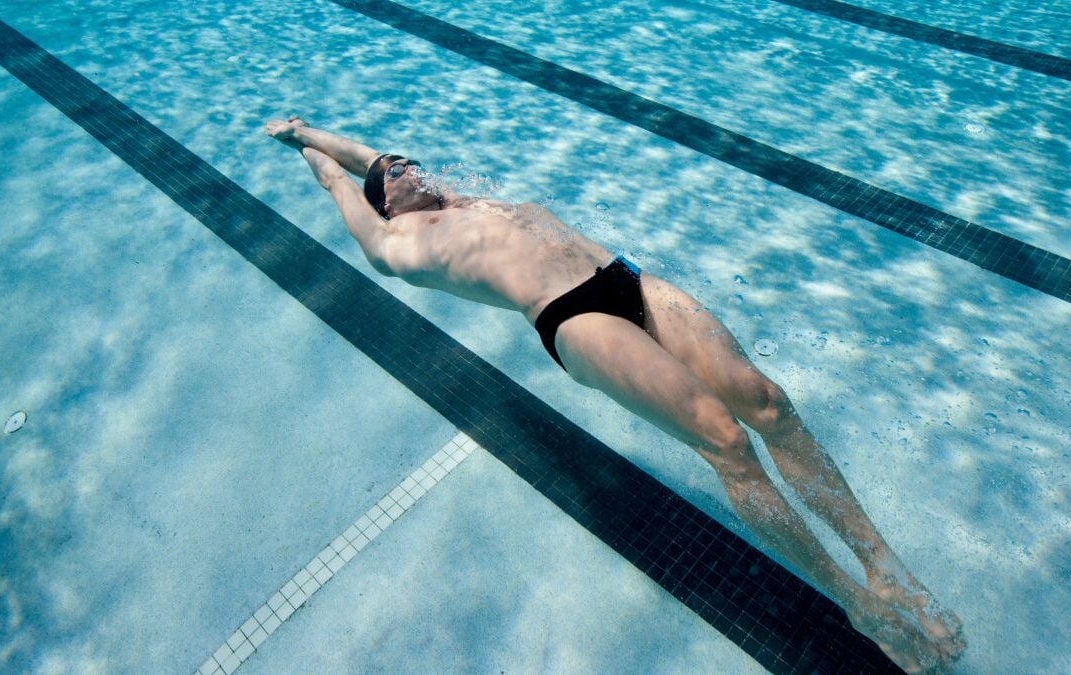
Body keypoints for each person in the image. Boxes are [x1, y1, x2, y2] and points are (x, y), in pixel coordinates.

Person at [265, 116, 964, 672]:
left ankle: (886, 567)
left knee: (768, 401)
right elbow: (341, 177)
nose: (407, 167)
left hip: (623, 277)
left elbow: (367, 150)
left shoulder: (456, 195)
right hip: (573, 316)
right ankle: (856, 604)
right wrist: (307, 149)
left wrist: (321, 130)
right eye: (395, 173)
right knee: (727, 440)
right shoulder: (399, 241)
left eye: (406, 163)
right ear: (383, 200)